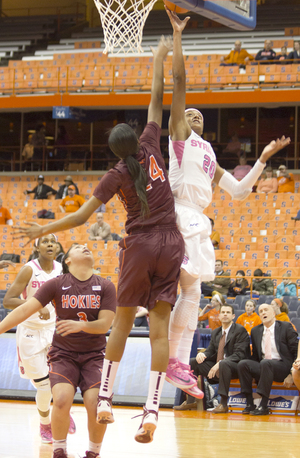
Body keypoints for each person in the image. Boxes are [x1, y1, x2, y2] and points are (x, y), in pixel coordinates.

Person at [12, 36, 184, 445]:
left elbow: (82, 215)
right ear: (137, 138)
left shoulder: (115, 175)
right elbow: (157, 99)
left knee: (121, 323)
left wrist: (43, 229)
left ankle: (105, 396)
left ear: (112, 149)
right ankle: (153, 409)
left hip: (141, 244)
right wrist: (161, 55)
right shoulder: (150, 146)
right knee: (160, 331)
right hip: (173, 242)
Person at [164, 7, 290, 400]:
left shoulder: (208, 155)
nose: (193, 114)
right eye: (188, 113)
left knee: (193, 295)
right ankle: (169, 357)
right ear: (181, 123)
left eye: (198, 114)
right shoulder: (180, 138)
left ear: (205, 125)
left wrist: (263, 161)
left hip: (198, 220)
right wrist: (179, 38)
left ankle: (179, 364)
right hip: (180, 213)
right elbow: (180, 81)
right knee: (184, 290)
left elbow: (238, 193)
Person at [1, 243, 116, 458]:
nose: (85, 247)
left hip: (95, 355)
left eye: (86, 247)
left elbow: (104, 325)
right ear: (68, 260)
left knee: (93, 404)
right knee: (61, 399)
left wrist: (81, 325)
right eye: (78, 247)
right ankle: (59, 451)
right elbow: (25, 308)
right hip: (64, 354)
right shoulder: (56, 284)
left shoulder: (106, 286)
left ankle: (93, 453)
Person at [3, 234, 67, 443]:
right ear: (38, 246)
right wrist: (35, 306)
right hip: (30, 332)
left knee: (60, 382)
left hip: (53, 331)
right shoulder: (29, 269)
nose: (49, 244)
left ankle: (58, 416)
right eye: (45, 241)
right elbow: (8, 301)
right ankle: (45, 421)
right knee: (43, 385)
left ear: (57, 246)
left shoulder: (61, 269)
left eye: (53, 241)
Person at [174, 304, 250, 413]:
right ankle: (191, 400)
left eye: (228, 312)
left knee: (224, 364)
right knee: (193, 362)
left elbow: (240, 354)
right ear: (219, 316)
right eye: (223, 312)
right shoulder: (216, 332)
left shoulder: (240, 330)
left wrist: (220, 363)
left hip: (235, 368)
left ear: (233, 316)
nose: (225, 314)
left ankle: (223, 404)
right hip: (218, 367)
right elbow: (211, 350)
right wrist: (203, 354)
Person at [237, 303, 298, 415]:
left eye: (266, 310)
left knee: (266, 363)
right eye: (261, 311)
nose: (263, 312)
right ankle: (250, 403)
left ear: (273, 313)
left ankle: (264, 405)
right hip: (264, 366)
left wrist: (291, 373)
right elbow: (255, 356)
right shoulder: (255, 331)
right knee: (243, 364)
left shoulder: (285, 326)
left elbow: (296, 351)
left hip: (283, 367)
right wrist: (253, 373)